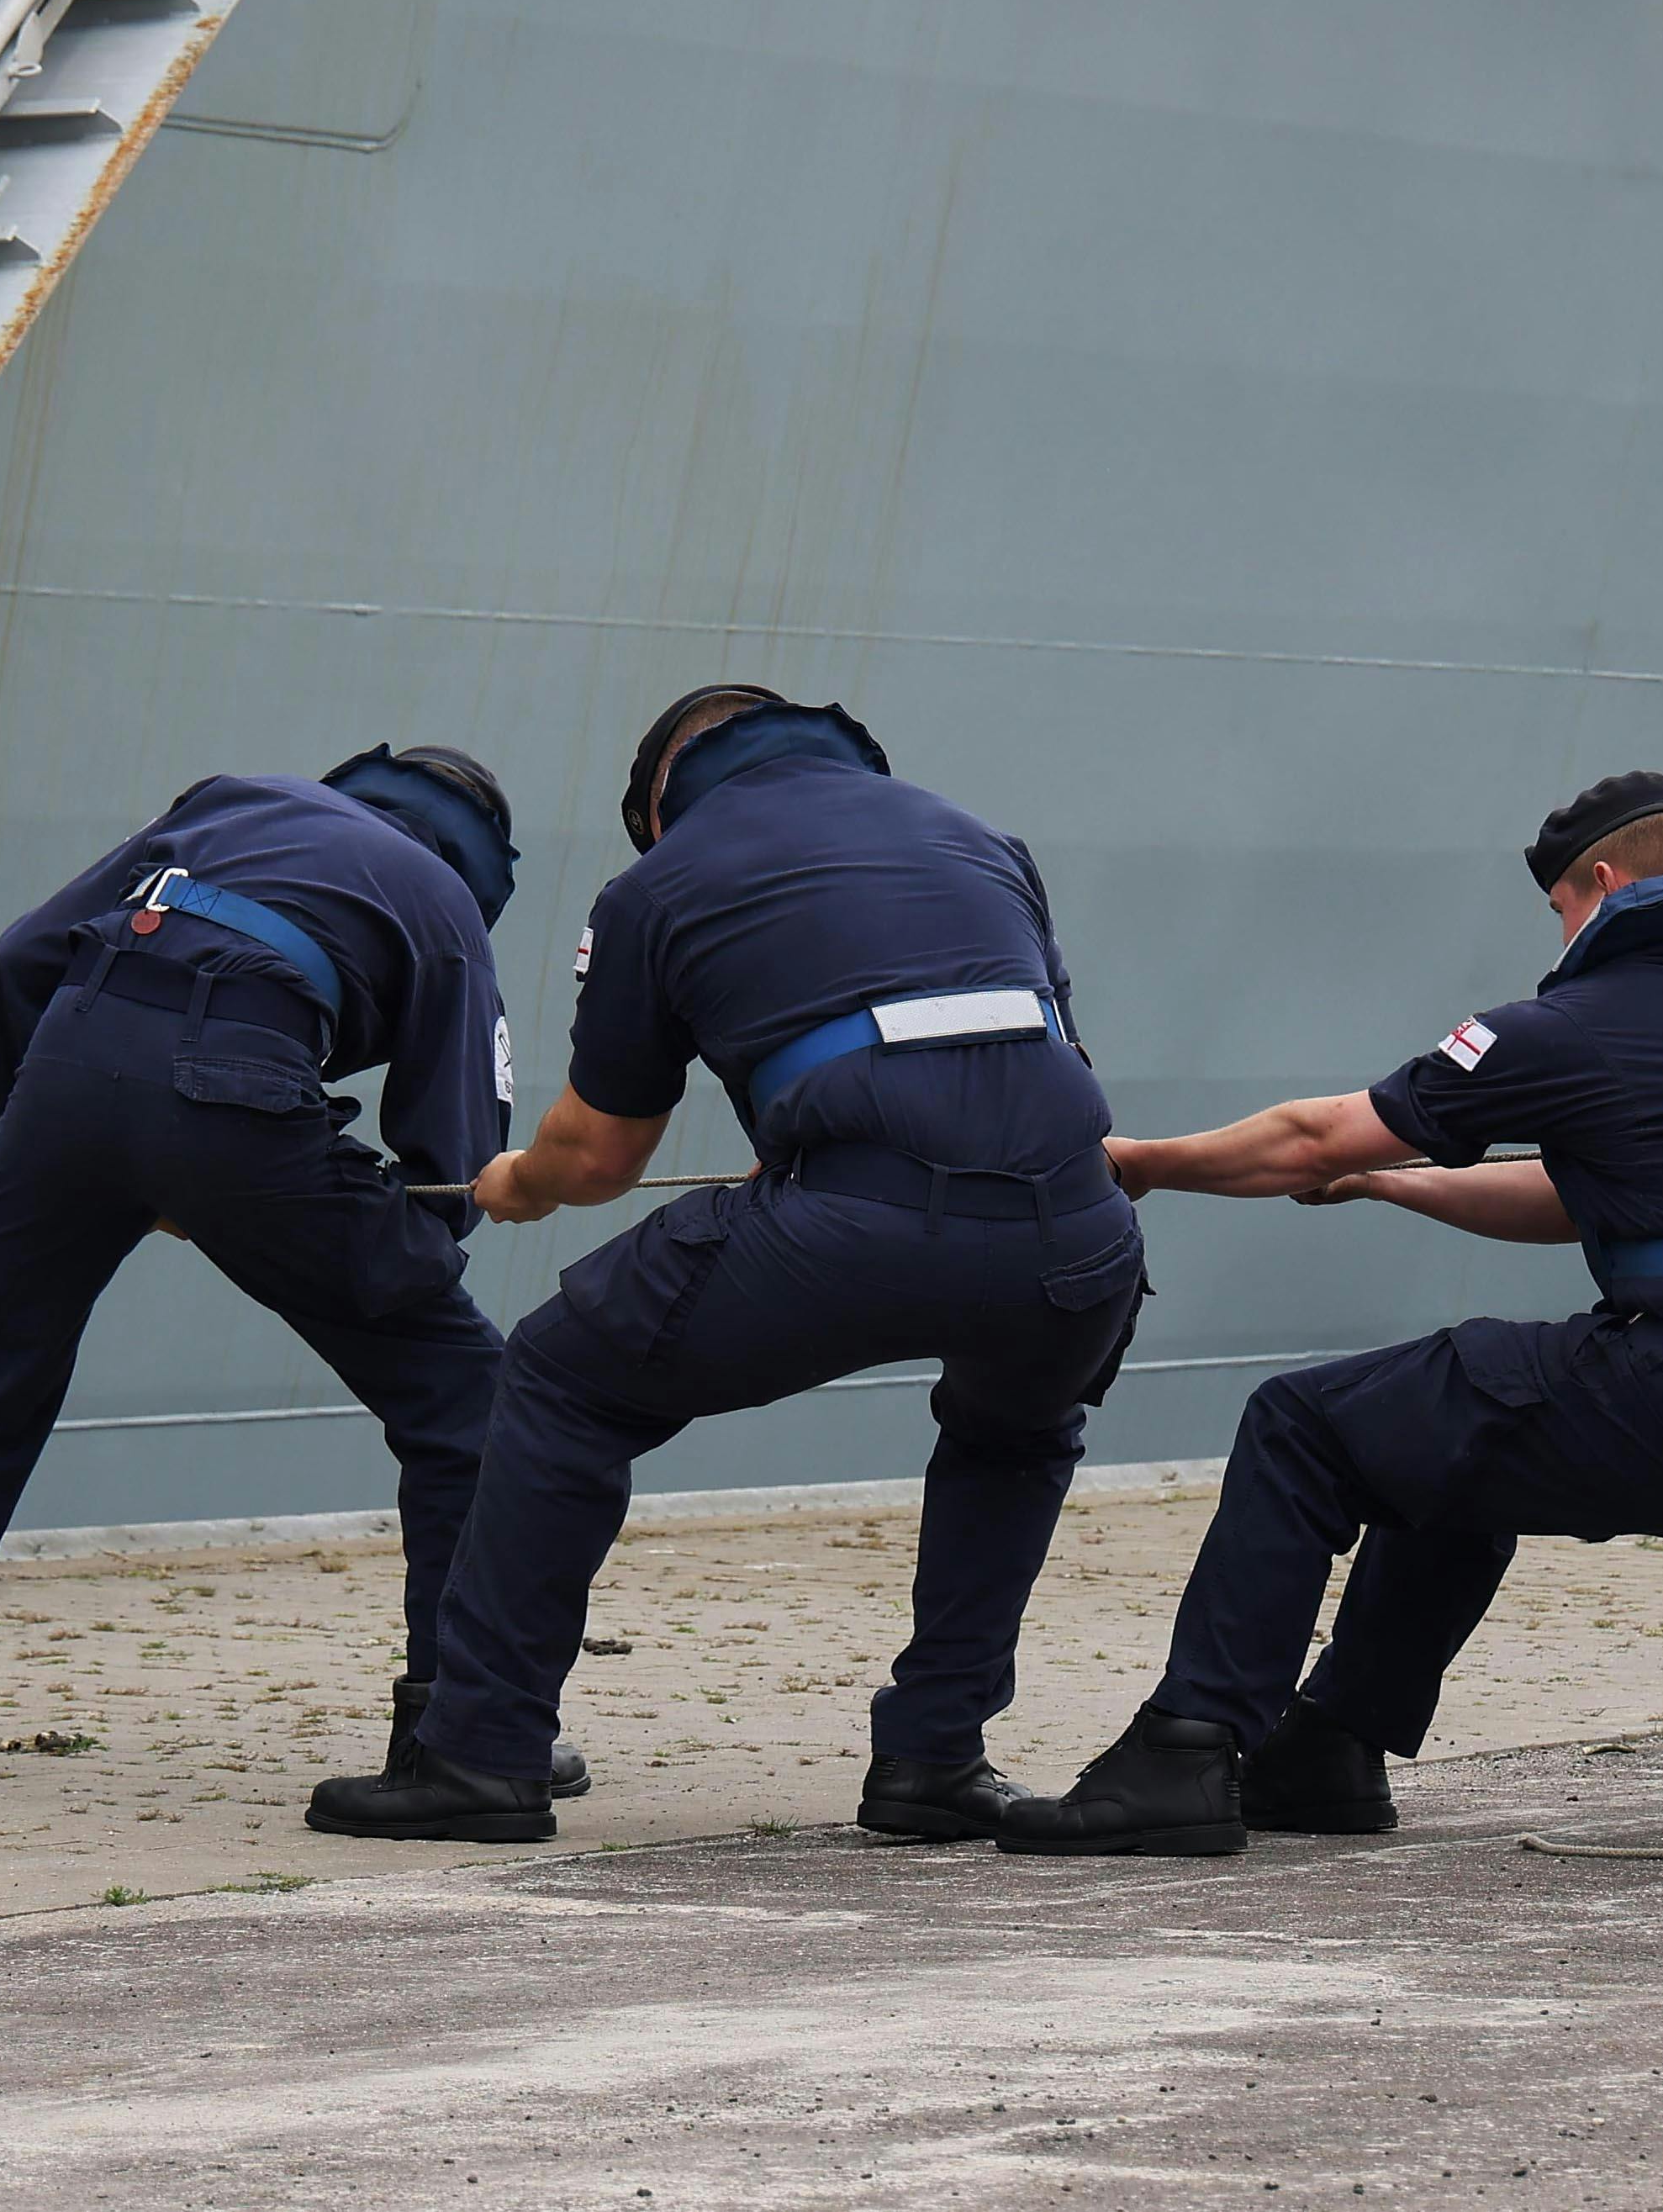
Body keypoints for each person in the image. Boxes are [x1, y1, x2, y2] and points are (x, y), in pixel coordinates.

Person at [995, 775, 1663, 1856]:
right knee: (1444, 1435)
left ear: (1602, 885)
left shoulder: (1582, 1018)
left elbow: (1314, 1137)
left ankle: (1184, 1752)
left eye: (1560, 906)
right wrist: (1396, 1185)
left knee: (1303, 1422)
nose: (1561, 929)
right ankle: (1329, 1747)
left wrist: (1144, 1163)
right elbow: (1580, 1202)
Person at [305, 686, 1148, 1848]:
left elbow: (600, 1154)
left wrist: (514, 1182)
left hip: (851, 1222)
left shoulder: (660, 882)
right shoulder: (977, 838)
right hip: (1076, 1231)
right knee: (1018, 1427)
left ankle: (483, 1753)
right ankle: (935, 1759)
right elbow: (1035, 1045)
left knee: (555, 1376)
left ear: (659, 803)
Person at [0, 747, 542, 1795]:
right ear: (480, 859)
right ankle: (461, 1725)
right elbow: (455, 1162)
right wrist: (383, 1263)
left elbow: (21, 956)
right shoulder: (443, 898)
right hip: (246, 1080)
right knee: (472, 1399)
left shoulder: (235, 803)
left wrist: (14, 1158)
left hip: (70, 1063)